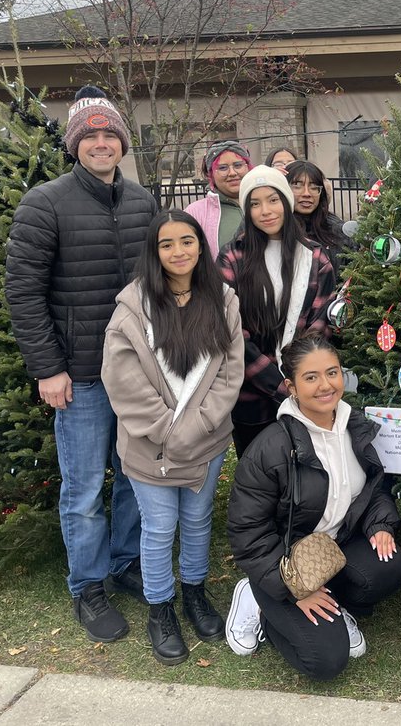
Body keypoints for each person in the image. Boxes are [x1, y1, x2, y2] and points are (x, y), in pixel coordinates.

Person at [5, 85, 156, 643]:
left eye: (110, 134)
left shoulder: (142, 202)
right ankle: (88, 585)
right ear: (74, 144)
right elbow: (24, 292)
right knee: (86, 488)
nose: (100, 143)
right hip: (82, 376)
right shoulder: (44, 203)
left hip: (139, 373)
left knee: (135, 479)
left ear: (122, 143)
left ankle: (125, 562)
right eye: (89, 136)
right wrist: (49, 368)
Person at [102, 210, 244, 665]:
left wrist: (197, 427)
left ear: (201, 246)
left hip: (206, 438)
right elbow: (123, 381)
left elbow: (230, 371)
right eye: (167, 244)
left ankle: (194, 593)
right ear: (154, 252)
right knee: (159, 527)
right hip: (150, 443)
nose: (178, 251)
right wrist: (168, 431)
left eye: (187, 241)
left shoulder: (223, 300)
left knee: (198, 521)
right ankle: (160, 608)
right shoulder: (132, 309)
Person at [225, 330, 401, 678]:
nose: (325, 385)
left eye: (332, 372)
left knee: (390, 567)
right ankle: (258, 599)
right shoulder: (271, 449)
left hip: (333, 547)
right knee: (325, 661)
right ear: (291, 387)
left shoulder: (356, 427)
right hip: (283, 562)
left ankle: (333, 604)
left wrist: (380, 524)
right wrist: (293, 590)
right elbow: (247, 532)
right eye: (311, 377)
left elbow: (373, 487)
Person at [217, 165, 337, 456]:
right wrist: (277, 383)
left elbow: (320, 323)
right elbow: (230, 329)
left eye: (273, 200)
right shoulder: (232, 257)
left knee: (307, 470)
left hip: (303, 392)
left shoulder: (314, 256)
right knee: (257, 472)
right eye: (255, 204)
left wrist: (298, 381)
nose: (266, 211)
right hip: (250, 397)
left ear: (286, 201)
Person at [185, 140, 252, 260]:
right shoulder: (195, 213)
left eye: (238, 165)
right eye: (222, 168)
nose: (232, 173)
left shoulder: (267, 204)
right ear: (210, 174)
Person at [286, 160, 349, 278]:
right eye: (297, 186)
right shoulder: (274, 230)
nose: (307, 193)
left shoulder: (336, 231)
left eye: (314, 187)